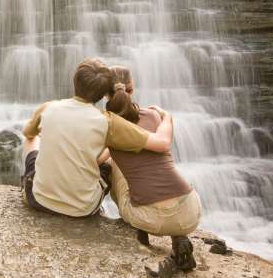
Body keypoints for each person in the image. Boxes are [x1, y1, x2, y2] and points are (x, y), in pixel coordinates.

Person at [21, 58, 173, 218]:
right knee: (113, 159)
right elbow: (162, 143)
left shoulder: (48, 107)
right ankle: (132, 211)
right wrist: (167, 117)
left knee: (32, 141)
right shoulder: (108, 122)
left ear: (75, 80)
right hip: (83, 209)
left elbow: (28, 134)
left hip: (38, 200)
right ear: (104, 94)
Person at [104, 65, 202, 278]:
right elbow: (160, 146)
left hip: (151, 219)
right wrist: (166, 116)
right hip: (190, 211)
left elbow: (97, 160)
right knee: (160, 164)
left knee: (114, 165)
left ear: (105, 93)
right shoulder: (152, 116)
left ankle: (139, 231)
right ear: (132, 88)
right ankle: (179, 238)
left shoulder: (106, 126)